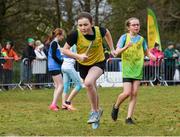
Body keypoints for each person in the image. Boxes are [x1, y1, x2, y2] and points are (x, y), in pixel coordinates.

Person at [62, 12, 116, 124]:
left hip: (98, 62)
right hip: (83, 65)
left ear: (91, 24)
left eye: (86, 25)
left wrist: (112, 48)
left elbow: (107, 33)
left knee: (88, 82)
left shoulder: (99, 31)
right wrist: (78, 56)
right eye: (80, 25)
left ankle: (94, 111)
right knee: (92, 86)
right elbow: (64, 50)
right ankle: (98, 109)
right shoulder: (74, 35)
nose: (83, 28)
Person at [111, 17, 156, 124]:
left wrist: (152, 56)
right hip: (127, 68)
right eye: (134, 25)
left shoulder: (141, 39)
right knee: (126, 93)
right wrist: (126, 46)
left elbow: (146, 52)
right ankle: (116, 106)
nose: (136, 26)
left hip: (138, 68)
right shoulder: (124, 37)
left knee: (134, 93)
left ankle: (129, 118)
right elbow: (116, 52)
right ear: (128, 27)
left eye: (138, 25)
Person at [61, 44, 82, 111]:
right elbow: (76, 56)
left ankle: (63, 105)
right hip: (69, 66)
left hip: (63, 66)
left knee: (66, 87)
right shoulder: (74, 45)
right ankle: (68, 102)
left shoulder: (67, 44)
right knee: (79, 85)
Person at [48, 28, 64, 111]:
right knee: (61, 85)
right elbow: (54, 56)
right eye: (62, 35)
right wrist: (61, 62)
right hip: (55, 66)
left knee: (57, 86)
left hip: (52, 66)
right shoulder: (54, 43)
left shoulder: (54, 43)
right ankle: (53, 104)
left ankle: (53, 104)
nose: (63, 37)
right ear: (58, 35)